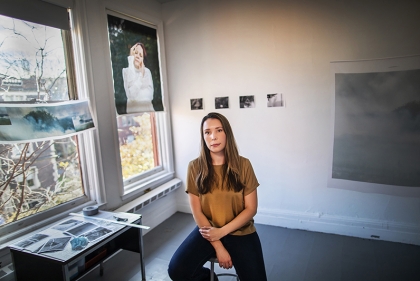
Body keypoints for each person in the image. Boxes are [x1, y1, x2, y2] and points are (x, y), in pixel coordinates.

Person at [168, 112, 267, 281]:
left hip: (240, 231)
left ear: (227, 133)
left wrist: (221, 232)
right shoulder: (194, 167)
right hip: (208, 230)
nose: (213, 137)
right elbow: (197, 212)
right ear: (203, 136)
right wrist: (218, 246)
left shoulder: (244, 165)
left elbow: (251, 209)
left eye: (219, 130)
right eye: (207, 132)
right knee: (177, 270)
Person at [122, 42, 154, 113]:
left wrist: (135, 89)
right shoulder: (126, 71)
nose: (137, 56)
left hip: (148, 113)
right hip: (133, 116)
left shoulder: (147, 72)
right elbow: (131, 95)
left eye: (141, 55)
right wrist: (140, 76)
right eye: (136, 53)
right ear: (131, 54)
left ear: (143, 59)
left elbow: (149, 96)